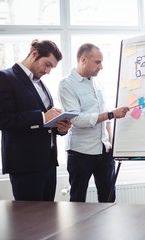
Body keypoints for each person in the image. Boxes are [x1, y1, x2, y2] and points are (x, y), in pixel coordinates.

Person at [0, 39, 71, 201]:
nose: (48, 71)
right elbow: (0, 120)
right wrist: (41, 116)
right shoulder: (3, 77)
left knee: (48, 220)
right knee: (29, 222)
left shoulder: (41, 84)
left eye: (52, 67)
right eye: (47, 64)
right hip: (25, 166)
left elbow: (45, 123)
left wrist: (60, 126)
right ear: (34, 54)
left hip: (48, 163)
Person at [58, 43, 129, 203]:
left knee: (109, 197)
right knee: (78, 199)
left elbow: (106, 117)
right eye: (98, 62)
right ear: (83, 60)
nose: (101, 67)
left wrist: (111, 142)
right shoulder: (66, 85)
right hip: (81, 152)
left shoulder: (97, 83)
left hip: (104, 151)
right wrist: (111, 114)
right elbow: (77, 119)